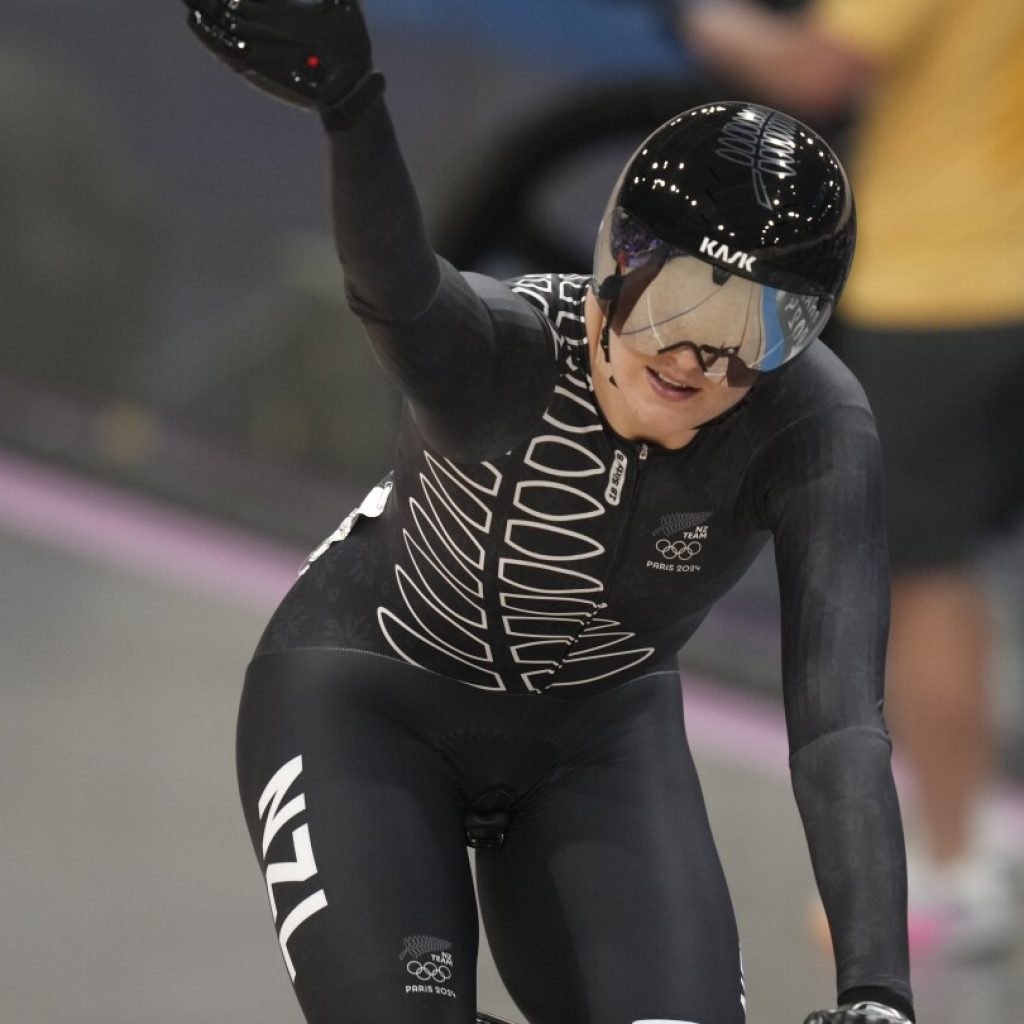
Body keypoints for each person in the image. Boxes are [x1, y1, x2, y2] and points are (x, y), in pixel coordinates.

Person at [183, 2, 915, 1021]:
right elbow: (393, 288)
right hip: (370, 702)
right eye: (676, 301)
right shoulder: (499, 350)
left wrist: (877, 992)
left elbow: (837, 720)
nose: (697, 357)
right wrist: (353, 111)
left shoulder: (815, 427)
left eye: (758, 327)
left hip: (598, 742)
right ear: (615, 262)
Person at [679, 0, 1024, 957]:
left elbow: (814, 69)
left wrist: (700, 18)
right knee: (959, 575)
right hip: (998, 281)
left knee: (921, 579)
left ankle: (957, 866)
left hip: (942, 292)